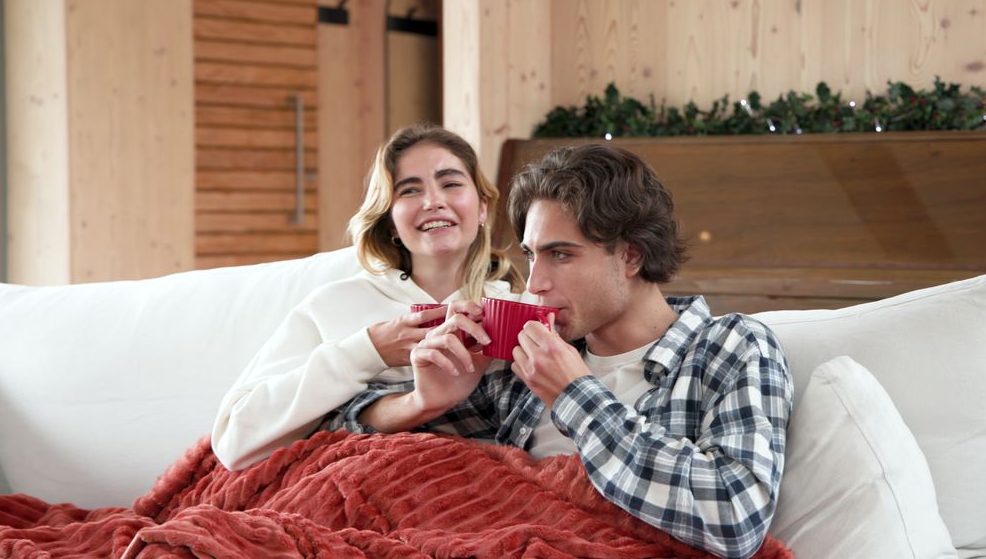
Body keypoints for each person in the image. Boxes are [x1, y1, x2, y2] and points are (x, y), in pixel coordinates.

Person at [327, 144, 794, 559]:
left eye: (561, 255)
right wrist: (424, 401)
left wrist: (574, 395)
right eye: (531, 256)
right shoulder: (529, 358)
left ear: (630, 256)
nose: (535, 284)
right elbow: (342, 434)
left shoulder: (729, 346)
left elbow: (736, 518)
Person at [211, 124, 522, 471]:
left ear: (482, 208)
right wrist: (369, 350)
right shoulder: (333, 306)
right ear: (390, 223)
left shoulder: (520, 311)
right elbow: (233, 440)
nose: (433, 201)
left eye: (450, 183)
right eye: (409, 190)